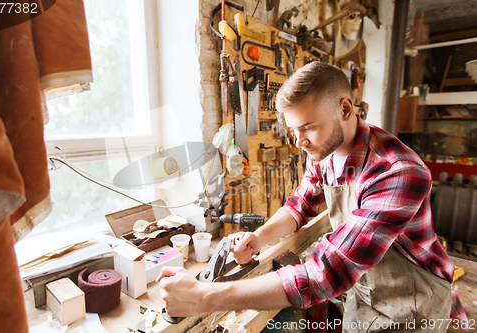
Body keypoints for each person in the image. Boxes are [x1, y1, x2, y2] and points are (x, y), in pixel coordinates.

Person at [158, 62, 466, 332]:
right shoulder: (322, 152)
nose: (299, 142)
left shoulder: (397, 172)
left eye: (307, 127)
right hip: (365, 290)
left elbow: (324, 275)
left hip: (415, 302)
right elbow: (301, 204)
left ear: (345, 109)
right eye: (293, 130)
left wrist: (201, 298)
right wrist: (260, 236)